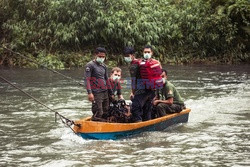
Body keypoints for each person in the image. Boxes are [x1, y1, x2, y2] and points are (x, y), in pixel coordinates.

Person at [129, 45, 162, 122]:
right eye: (145, 52)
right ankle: (147, 123)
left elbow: (133, 79)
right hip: (151, 89)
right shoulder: (155, 62)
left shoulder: (139, 63)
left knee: (136, 107)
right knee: (147, 108)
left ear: (152, 53)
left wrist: (132, 92)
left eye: (148, 52)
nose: (146, 53)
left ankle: (138, 123)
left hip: (144, 90)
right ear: (142, 52)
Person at [84, 47, 113, 121]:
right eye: (100, 56)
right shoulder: (90, 65)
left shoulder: (104, 66)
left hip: (105, 91)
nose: (102, 58)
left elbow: (106, 79)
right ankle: (94, 125)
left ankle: (104, 126)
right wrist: (90, 93)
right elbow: (87, 80)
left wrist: (111, 92)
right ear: (95, 55)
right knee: (98, 112)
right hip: (96, 93)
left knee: (106, 111)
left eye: (103, 57)